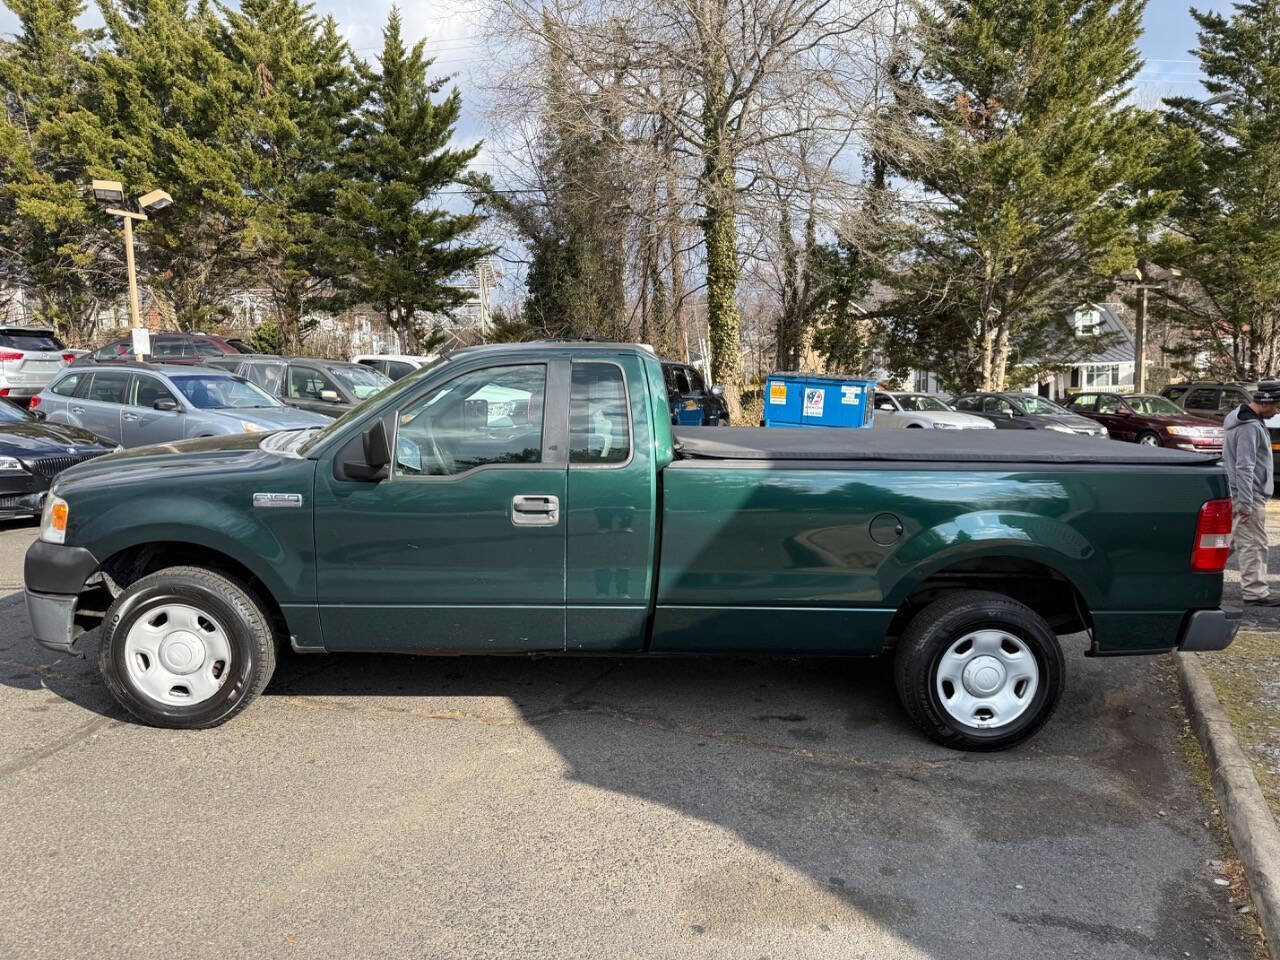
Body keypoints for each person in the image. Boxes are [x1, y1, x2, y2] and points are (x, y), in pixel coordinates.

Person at [1223, 381, 1280, 605]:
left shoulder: (1245, 419)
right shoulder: (1248, 426)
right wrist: (1246, 502)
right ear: (1265, 402)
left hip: (1239, 492)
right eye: (1276, 406)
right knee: (1254, 543)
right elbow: (1244, 466)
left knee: (1228, 543)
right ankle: (1256, 592)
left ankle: (1188, 577)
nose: (1278, 410)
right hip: (1248, 495)